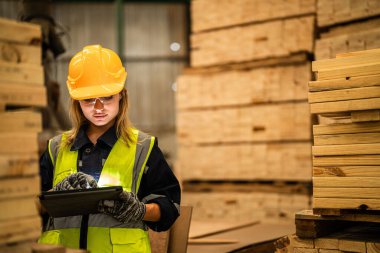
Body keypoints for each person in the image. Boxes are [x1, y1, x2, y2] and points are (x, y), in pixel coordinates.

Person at [38, 45, 181, 253]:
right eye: (88, 100)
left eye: (107, 97)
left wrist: (140, 211)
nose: (98, 108)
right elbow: (27, 210)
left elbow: (170, 208)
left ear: (121, 95)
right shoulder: (55, 149)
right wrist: (53, 196)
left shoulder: (143, 148)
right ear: (76, 101)